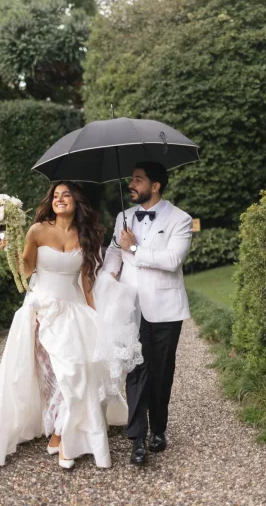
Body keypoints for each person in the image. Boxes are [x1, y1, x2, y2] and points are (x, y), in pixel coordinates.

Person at [0, 181, 142, 470]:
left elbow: (86, 282)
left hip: (74, 312)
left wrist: (98, 316)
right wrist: (9, 248)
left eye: (66, 195)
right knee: (62, 374)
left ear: (76, 202)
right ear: (51, 202)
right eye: (56, 195)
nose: (60, 199)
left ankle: (61, 434)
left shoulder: (85, 235)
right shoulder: (37, 230)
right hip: (43, 310)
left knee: (79, 371)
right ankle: (61, 435)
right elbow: (26, 269)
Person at [103, 162, 193, 466]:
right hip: (129, 305)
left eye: (138, 179)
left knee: (161, 371)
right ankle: (137, 439)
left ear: (155, 186)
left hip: (166, 309)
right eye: (131, 178)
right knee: (136, 371)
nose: (132, 184)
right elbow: (115, 251)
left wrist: (135, 249)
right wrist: (110, 272)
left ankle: (159, 429)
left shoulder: (180, 219)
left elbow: (172, 260)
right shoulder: (123, 217)